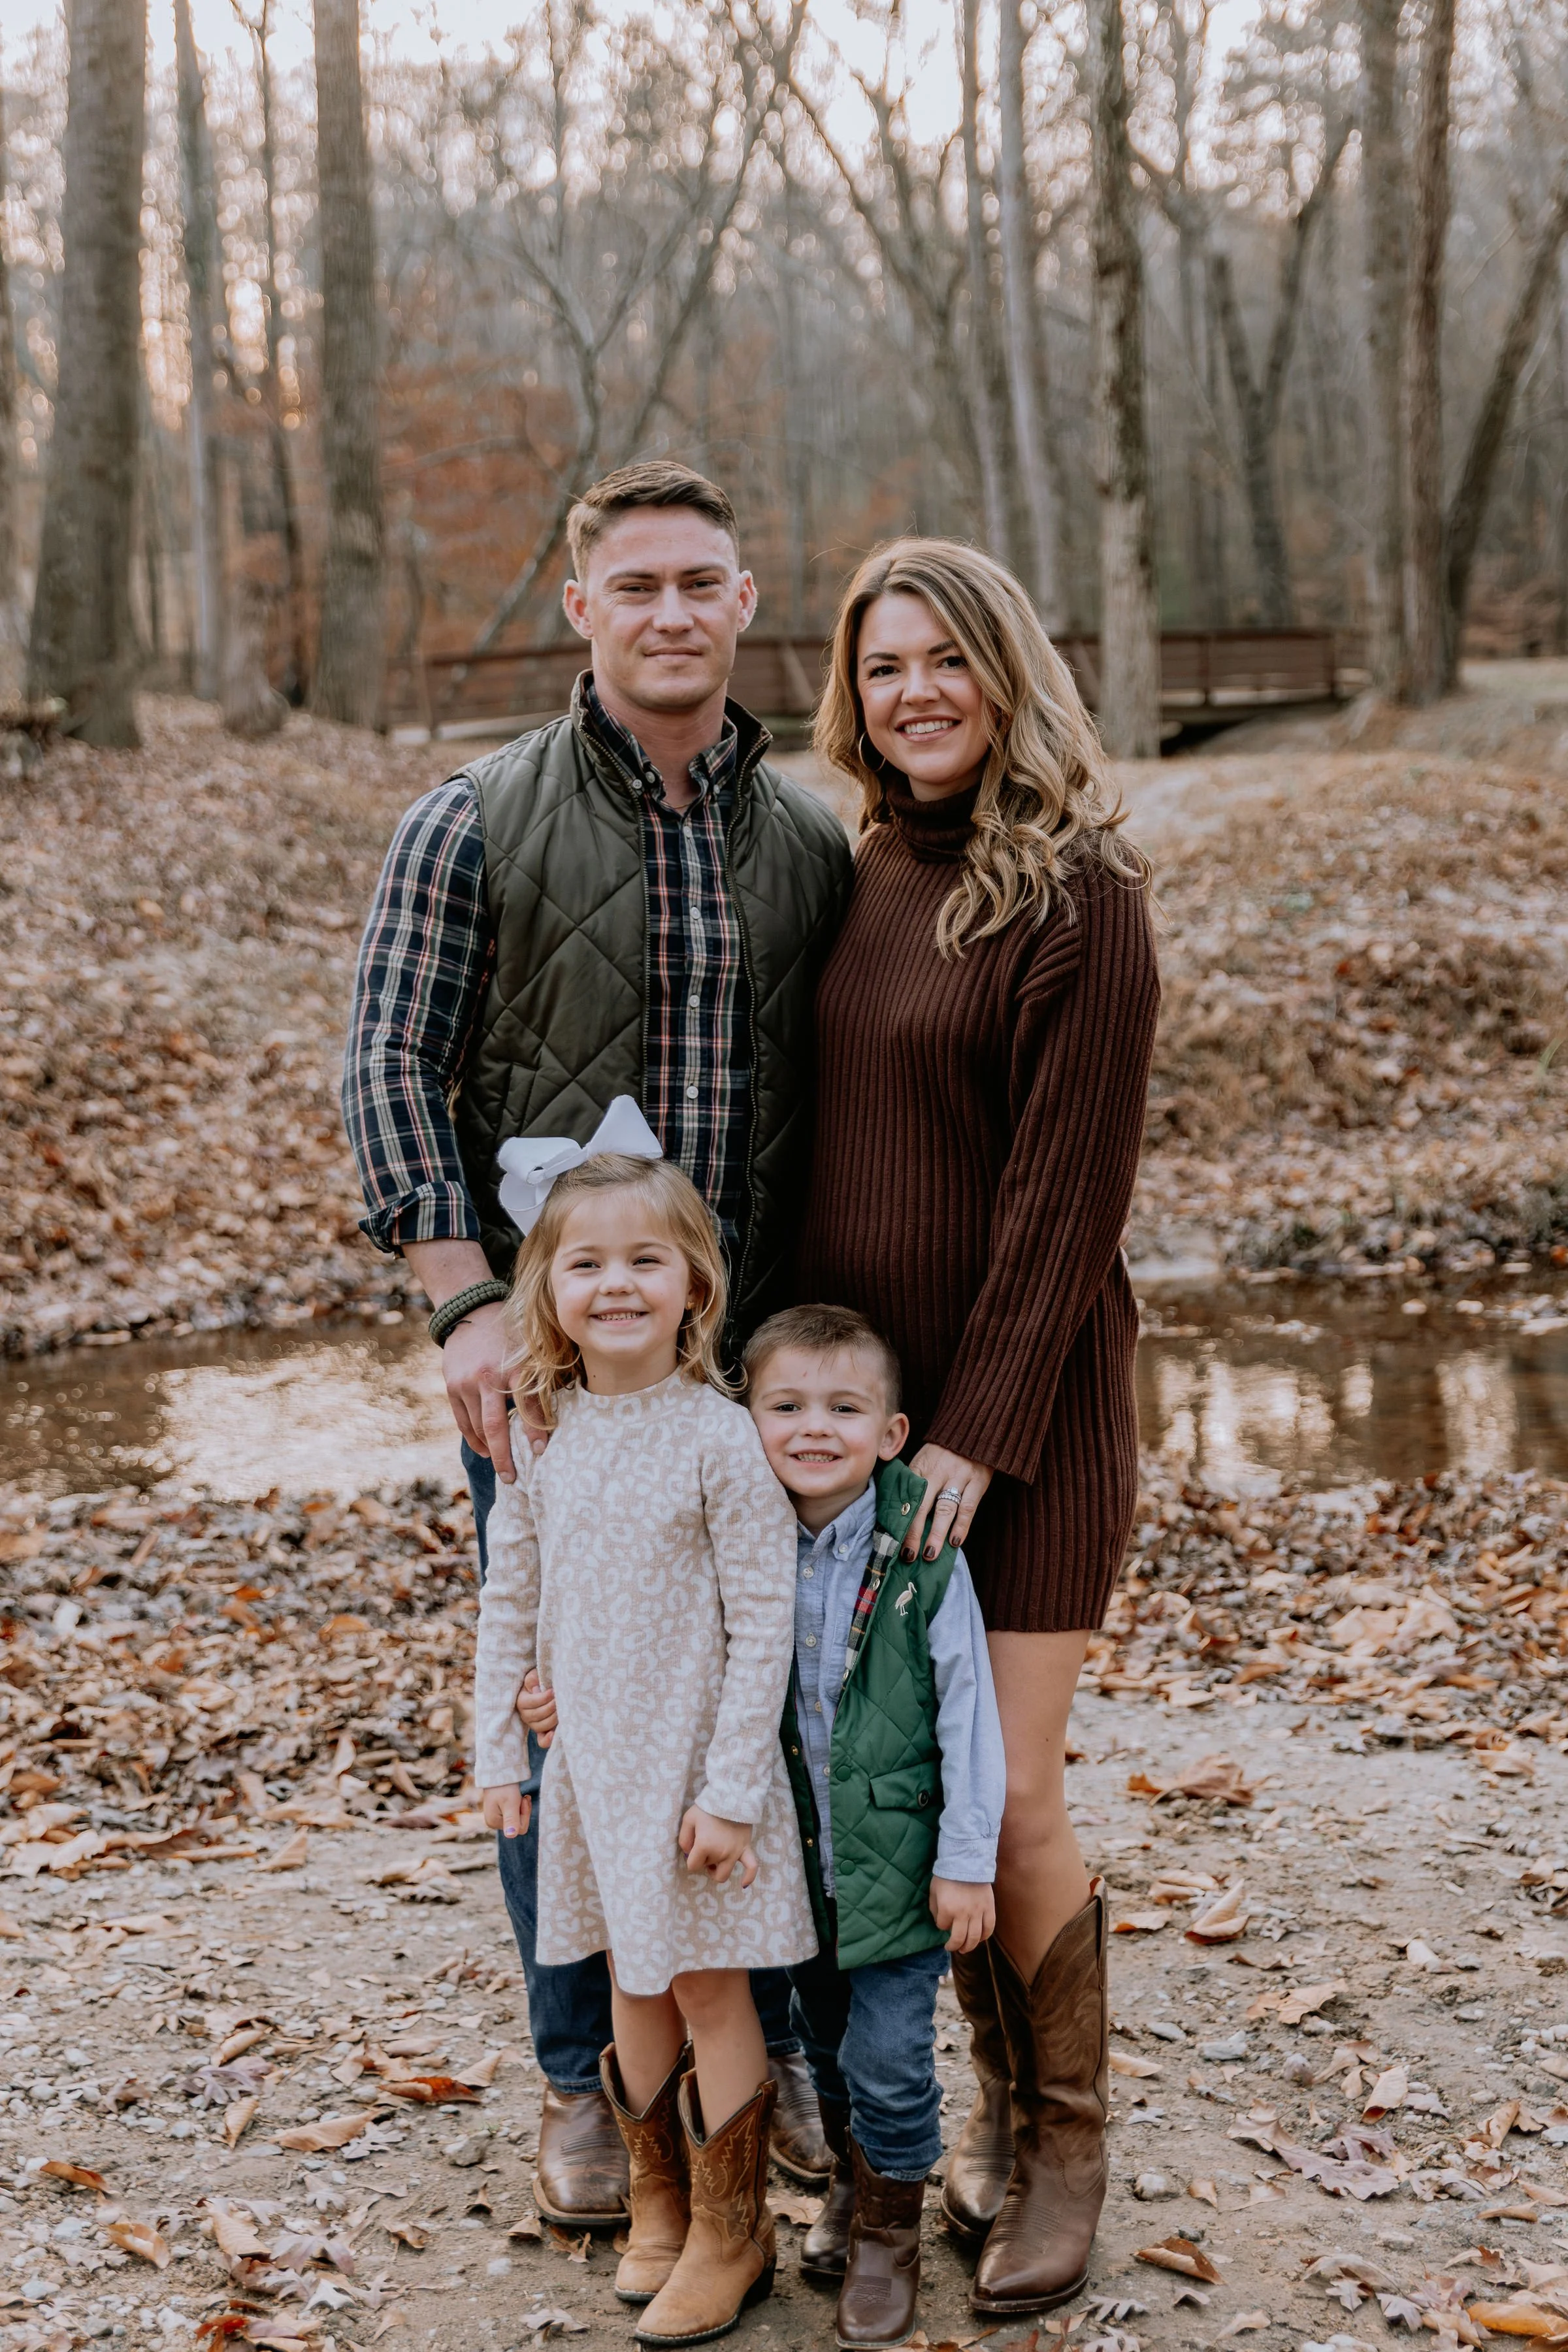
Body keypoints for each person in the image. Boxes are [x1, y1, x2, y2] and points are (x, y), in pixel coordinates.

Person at [342, 461, 851, 2219]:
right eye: (634, 585)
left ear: (743, 595)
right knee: (575, 1729)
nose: (671, 613)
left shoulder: (805, 837)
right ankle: (585, 2082)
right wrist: (465, 1302)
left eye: (701, 581)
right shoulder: (470, 819)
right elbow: (391, 1066)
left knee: (760, 1708)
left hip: (743, 1388)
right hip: (557, 1382)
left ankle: (758, 2052)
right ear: (581, 608)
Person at [797, 539, 1159, 2315]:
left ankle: (1062, 2143)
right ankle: (990, 2117)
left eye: (946, 659)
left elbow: (1066, 1204)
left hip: (1025, 1426)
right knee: (925, 1784)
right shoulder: (865, 871)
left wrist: (978, 1436)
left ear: (1010, 673)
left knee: (1011, 1796)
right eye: (883, 667)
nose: (914, 691)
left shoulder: (1080, 899)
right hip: (874, 1439)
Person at [474, 1148, 815, 2347]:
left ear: (695, 1287)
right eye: (587, 1264)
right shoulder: (546, 1440)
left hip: (693, 1783)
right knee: (630, 1977)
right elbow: (509, 1605)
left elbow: (765, 1620)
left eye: (645, 1261)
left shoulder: (720, 1440)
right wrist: (498, 1754)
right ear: (549, 1292)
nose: (616, 1284)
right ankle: (659, 2201)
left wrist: (729, 1792)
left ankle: (737, 2231)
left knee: (711, 1986)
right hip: (593, 1775)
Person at [744, 1303, 1005, 2352]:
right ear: (749, 1418)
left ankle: (891, 2234)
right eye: (788, 1406)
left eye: (844, 1408)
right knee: (824, 2041)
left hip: (898, 1865)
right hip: (792, 1865)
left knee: (893, 2055)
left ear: (891, 1433)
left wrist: (967, 1860)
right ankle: (856, 2190)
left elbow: (967, 1708)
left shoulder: (923, 1549)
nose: (815, 1428)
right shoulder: (741, 1530)